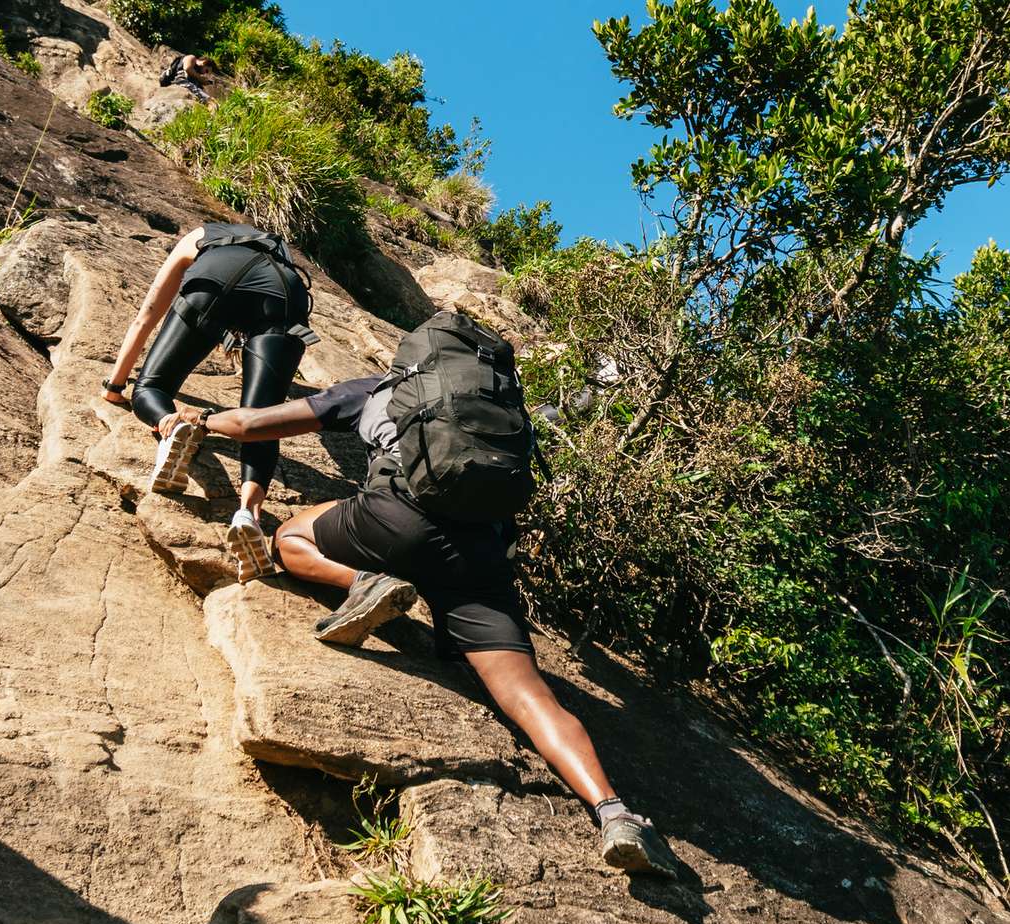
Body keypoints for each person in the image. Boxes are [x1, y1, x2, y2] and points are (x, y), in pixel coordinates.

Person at [162, 316, 679, 878]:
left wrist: (202, 418)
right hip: (479, 558)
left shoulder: (380, 388)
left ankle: (364, 583)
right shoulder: (506, 411)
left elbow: (258, 423)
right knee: (530, 697)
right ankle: (613, 811)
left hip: (393, 521)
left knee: (289, 537)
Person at [98, 223, 319, 582]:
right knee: (262, 419)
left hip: (217, 278)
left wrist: (116, 385)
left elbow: (148, 313)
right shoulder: (281, 251)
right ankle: (248, 513)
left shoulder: (200, 236)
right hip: (283, 293)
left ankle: (172, 425)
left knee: (152, 388)